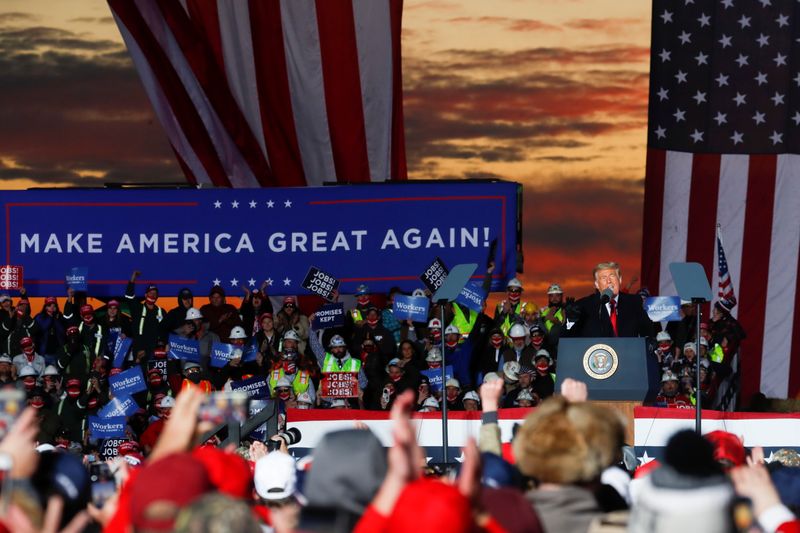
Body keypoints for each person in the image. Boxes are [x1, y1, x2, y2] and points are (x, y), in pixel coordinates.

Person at [562, 261, 654, 338]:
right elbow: (567, 338)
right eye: (603, 278)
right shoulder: (584, 305)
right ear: (597, 284)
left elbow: (648, 331)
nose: (609, 281)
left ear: (620, 280)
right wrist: (571, 321)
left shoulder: (633, 302)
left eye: (612, 276)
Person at [125, 270, 167, 356]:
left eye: (155, 294)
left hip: (157, 350)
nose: (152, 295)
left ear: (157, 297)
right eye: (150, 293)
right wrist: (133, 277)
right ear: (145, 295)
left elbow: (166, 330)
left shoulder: (161, 311)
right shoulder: (137, 308)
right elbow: (129, 295)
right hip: (140, 349)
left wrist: (166, 344)